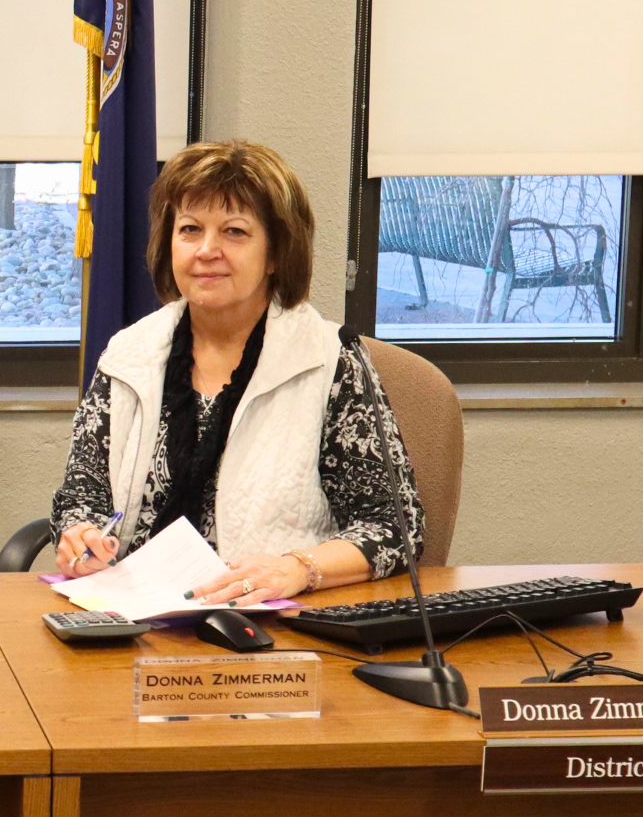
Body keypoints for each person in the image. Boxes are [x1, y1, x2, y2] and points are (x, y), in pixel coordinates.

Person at [52, 139, 422, 606]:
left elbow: (395, 527)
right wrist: (80, 536)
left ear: (275, 254)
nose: (207, 250)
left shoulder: (330, 359)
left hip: (271, 623)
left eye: (234, 232)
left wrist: (298, 569)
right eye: (190, 229)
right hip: (134, 614)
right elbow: (79, 498)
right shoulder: (129, 355)